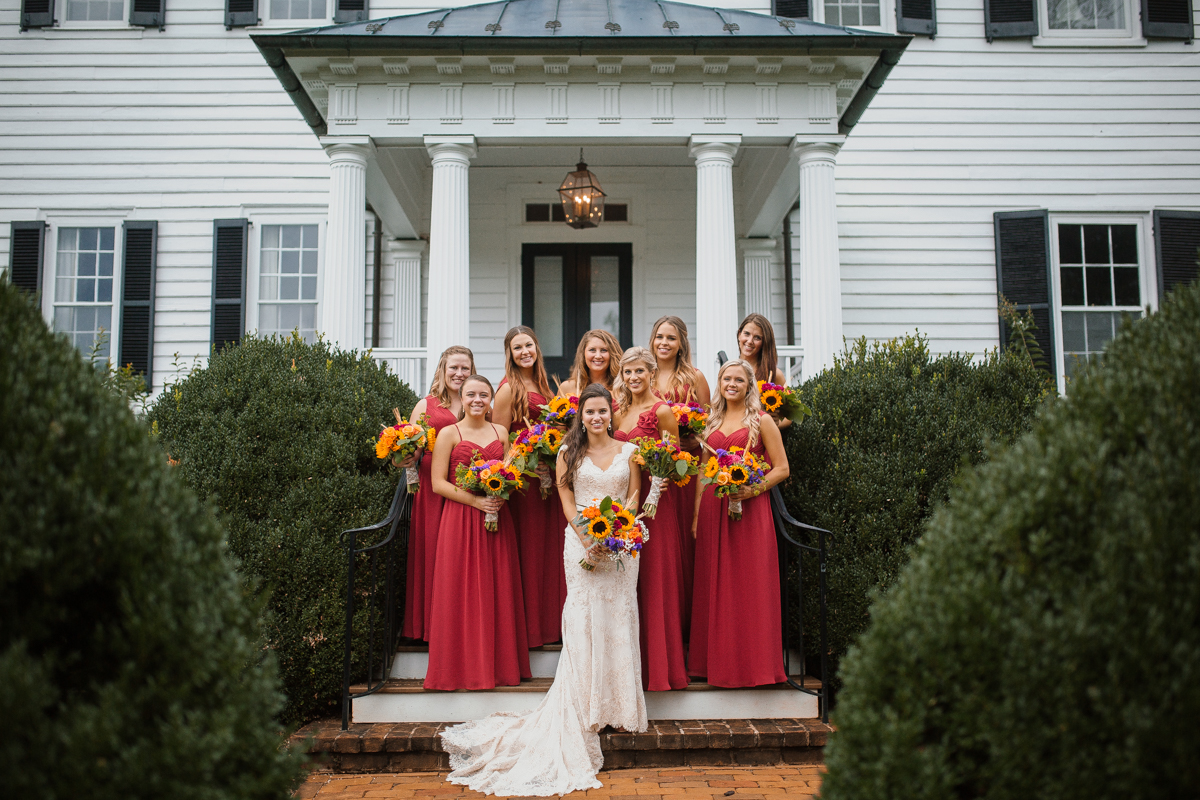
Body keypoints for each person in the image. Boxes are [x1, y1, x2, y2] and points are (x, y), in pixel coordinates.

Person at [441, 384, 647, 796]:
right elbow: (567, 500)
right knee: (584, 617)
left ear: (611, 412)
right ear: (580, 415)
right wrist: (587, 537)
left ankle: (619, 706)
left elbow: (634, 492)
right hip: (582, 543)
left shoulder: (630, 452)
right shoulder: (568, 453)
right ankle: (584, 707)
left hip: (623, 545)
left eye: (602, 411)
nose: (596, 418)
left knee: (619, 615)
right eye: (589, 411)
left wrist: (621, 530)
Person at [424, 375, 531, 691]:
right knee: (461, 590)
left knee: (495, 587)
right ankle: (460, 670)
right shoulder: (448, 433)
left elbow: (510, 471)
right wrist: (476, 500)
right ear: (462, 396)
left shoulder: (501, 432)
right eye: (471, 394)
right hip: (460, 520)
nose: (477, 400)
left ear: (490, 400)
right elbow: (437, 483)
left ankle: (498, 668)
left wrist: (501, 493)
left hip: (497, 517)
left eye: (484, 395)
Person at [688, 359, 791, 688]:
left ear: (749, 386)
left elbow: (782, 468)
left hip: (750, 513)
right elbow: (704, 471)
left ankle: (753, 667)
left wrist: (753, 489)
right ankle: (711, 664)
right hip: (712, 512)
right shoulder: (711, 420)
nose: (731, 384)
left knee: (748, 588)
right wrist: (695, 515)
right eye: (725, 378)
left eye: (738, 379)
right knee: (713, 586)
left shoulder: (762, 421)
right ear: (719, 383)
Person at [612, 347, 689, 691]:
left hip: (654, 505)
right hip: (622, 502)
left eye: (639, 372)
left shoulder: (662, 412)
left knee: (654, 579)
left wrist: (658, 482)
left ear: (651, 374)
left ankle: (658, 668)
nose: (633, 378)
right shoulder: (617, 411)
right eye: (627, 373)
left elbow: (674, 459)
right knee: (624, 580)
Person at [494, 325, 568, 647]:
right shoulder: (509, 388)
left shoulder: (545, 385)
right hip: (526, 484)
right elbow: (498, 439)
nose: (524, 352)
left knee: (551, 552)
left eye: (529, 345)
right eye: (517, 347)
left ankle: (553, 626)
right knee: (531, 550)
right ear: (509, 354)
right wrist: (526, 457)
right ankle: (530, 632)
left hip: (551, 482)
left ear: (537, 347)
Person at [402, 345, 474, 642]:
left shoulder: (477, 400)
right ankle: (431, 628)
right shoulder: (425, 405)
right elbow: (411, 449)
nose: (459, 374)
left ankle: (460, 624)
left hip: (468, 485)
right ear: (442, 371)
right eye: (453, 368)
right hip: (433, 490)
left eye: (465, 369)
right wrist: (402, 457)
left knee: (462, 558)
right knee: (432, 554)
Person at [648, 314, 709, 614]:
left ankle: (687, 613)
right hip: (652, 469)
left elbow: (710, 422)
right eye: (660, 336)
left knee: (686, 535)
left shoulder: (694, 377)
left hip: (687, 467)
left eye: (671, 338)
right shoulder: (644, 375)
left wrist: (695, 441)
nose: (664, 343)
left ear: (682, 343)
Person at [736, 313, 791, 431]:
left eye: (757, 338)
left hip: (760, 441)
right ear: (739, 334)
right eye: (746, 334)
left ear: (764, 342)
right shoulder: (729, 371)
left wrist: (774, 424)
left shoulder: (774, 375)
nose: (749, 341)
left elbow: (790, 416)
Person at [557, 329, 622, 399]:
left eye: (604, 350)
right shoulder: (566, 388)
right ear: (583, 354)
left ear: (612, 354)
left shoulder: (622, 388)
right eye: (592, 350)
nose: (598, 356)